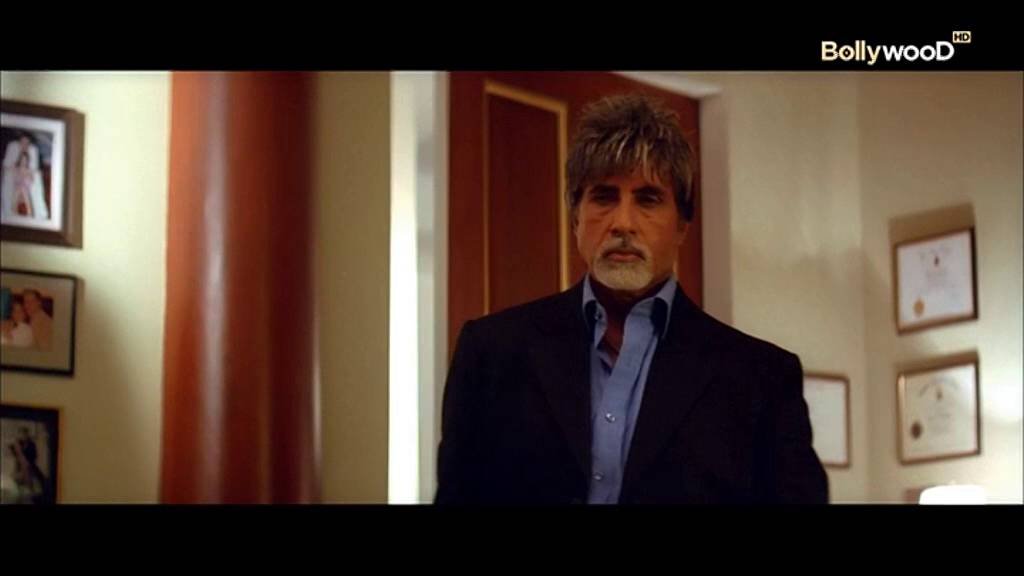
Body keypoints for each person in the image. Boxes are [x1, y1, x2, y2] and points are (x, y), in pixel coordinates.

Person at [435, 94, 828, 504]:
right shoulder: (492, 353)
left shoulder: (761, 378)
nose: (623, 223)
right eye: (604, 197)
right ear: (575, 217)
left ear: (682, 225)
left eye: (648, 199)